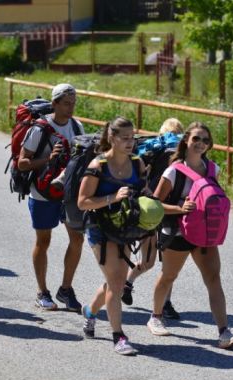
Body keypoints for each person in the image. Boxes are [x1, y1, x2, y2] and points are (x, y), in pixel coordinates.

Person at [146, 122, 233, 350]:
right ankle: (155, 316)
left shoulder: (213, 169)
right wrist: (180, 209)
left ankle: (224, 332)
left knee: (213, 279)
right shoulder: (173, 171)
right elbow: (155, 204)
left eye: (206, 140)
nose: (201, 144)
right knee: (169, 276)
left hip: (206, 233)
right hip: (178, 232)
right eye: (196, 139)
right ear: (186, 141)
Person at [77, 116, 148, 356]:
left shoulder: (137, 163)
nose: (130, 143)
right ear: (112, 138)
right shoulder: (99, 165)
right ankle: (119, 336)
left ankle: (89, 311)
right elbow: (83, 202)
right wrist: (112, 198)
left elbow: (145, 193)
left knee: (114, 281)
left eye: (133, 138)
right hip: (99, 227)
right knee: (116, 282)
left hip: (124, 228)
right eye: (125, 138)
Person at [17, 83, 85, 312]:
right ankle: (42, 291)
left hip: (69, 193)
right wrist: (48, 160)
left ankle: (65, 289)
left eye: (73, 103)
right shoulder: (39, 129)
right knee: (43, 241)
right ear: (54, 103)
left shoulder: (77, 126)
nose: (70, 108)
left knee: (77, 239)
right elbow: (22, 162)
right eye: (66, 103)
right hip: (42, 192)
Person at [121, 118, 185, 319]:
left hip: (150, 209)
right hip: (172, 211)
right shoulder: (181, 154)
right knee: (170, 265)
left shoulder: (152, 151)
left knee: (148, 261)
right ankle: (165, 304)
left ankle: (128, 284)